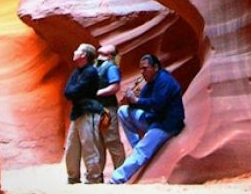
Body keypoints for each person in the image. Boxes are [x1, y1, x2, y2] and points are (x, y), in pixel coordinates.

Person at [108, 54, 185, 184]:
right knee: (123, 111)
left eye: (145, 68)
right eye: (141, 69)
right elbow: (142, 104)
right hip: (153, 119)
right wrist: (130, 101)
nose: (142, 72)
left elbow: (158, 104)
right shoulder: (150, 82)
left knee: (142, 151)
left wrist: (136, 100)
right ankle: (138, 146)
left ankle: (116, 179)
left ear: (155, 67)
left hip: (166, 124)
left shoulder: (164, 81)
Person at [63, 43, 104, 184]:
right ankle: (73, 177)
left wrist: (74, 93)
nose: (74, 51)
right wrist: (74, 93)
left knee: (89, 145)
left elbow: (75, 91)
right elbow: (68, 91)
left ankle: (94, 177)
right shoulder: (77, 72)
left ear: (84, 55)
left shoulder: (91, 72)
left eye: (77, 50)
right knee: (71, 147)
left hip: (88, 112)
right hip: (77, 112)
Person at [95, 44, 126, 172]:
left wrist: (96, 93)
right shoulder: (96, 66)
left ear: (110, 54)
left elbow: (115, 87)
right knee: (97, 142)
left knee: (112, 140)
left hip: (107, 108)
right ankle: (96, 175)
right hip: (96, 108)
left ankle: (121, 172)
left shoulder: (111, 67)